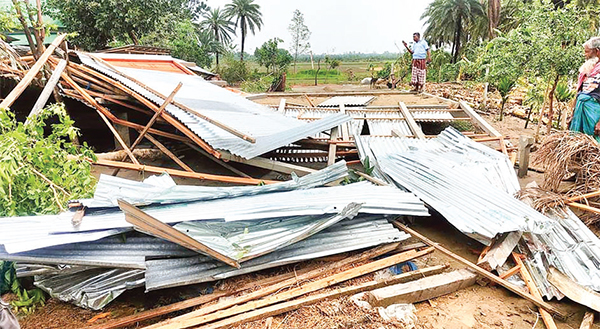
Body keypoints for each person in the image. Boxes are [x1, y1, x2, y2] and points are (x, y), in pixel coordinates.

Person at [571, 37, 600, 142]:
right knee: (577, 144)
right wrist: (573, 115)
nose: (585, 55)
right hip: (580, 111)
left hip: (594, 114)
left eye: (587, 52)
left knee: (595, 146)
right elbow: (579, 92)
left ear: (597, 51)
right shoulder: (586, 71)